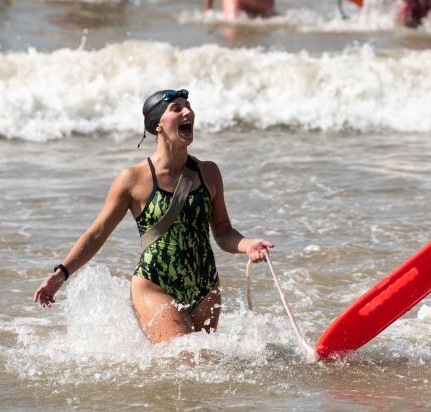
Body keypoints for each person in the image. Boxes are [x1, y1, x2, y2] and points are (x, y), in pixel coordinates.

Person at [33, 89, 274, 343]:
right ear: (157, 124)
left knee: (205, 368)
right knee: (184, 360)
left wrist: (248, 245)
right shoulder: (133, 179)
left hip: (205, 287)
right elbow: (97, 233)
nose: (188, 112)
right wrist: (61, 273)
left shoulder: (208, 172)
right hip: (155, 284)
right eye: (177, 108)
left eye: (188, 106)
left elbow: (223, 231)